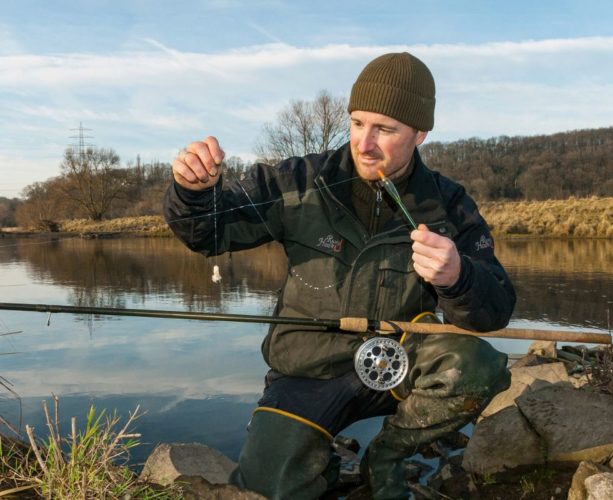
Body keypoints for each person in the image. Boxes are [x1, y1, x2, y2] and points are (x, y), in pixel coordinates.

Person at [164, 52, 516, 499]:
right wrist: (192, 192)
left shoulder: (449, 204)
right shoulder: (298, 181)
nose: (364, 143)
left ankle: (386, 456)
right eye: (357, 123)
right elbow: (207, 231)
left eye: (384, 129)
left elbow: (496, 310)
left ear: (420, 133)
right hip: (305, 373)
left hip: (398, 362)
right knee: (269, 486)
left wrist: (458, 277)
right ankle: (320, 459)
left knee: (476, 364)